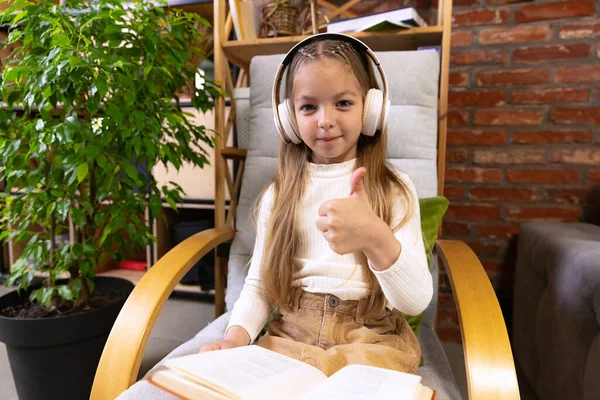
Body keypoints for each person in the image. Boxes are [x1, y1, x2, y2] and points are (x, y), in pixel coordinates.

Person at [199, 33, 433, 377]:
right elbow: (260, 285)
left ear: (371, 109)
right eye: (309, 106)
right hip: (292, 333)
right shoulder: (279, 194)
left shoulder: (393, 189)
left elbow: (413, 302)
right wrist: (236, 338)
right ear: (288, 118)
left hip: (371, 337)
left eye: (343, 103)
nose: (324, 120)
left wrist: (375, 238)